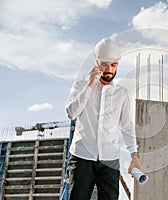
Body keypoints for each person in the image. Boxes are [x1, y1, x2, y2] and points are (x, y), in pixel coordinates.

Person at [65, 38, 142, 200]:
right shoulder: (80, 86)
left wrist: (134, 156)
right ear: (96, 63)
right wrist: (90, 85)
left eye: (113, 65)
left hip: (110, 159)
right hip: (82, 156)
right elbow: (71, 113)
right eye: (104, 64)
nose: (109, 69)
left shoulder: (122, 93)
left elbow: (127, 126)